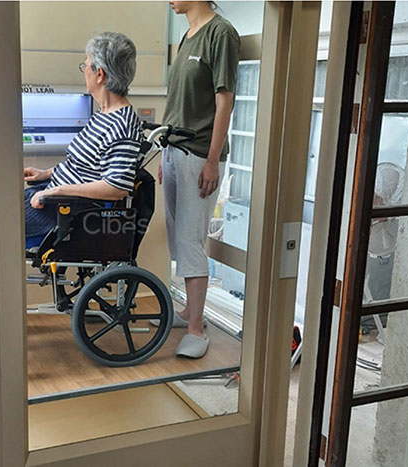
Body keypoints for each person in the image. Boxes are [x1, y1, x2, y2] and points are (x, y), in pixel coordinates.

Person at [160, 1, 240, 358]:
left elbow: (225, 103)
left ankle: (197, 329)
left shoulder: (220, 33)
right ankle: (188, 312)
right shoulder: (185, 36)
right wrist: (165, 148)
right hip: (174, 150)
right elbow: (177, 100)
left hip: (198, 154)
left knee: (192, 241)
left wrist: (212, 160)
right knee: (178, 237)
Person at [23, 32, 142, 242]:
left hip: (65, 211)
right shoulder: (103, 114)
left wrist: (57, 190)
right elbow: (82, 166)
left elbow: (116, 187)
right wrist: (45, 174)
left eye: (86, 65)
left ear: (99, 74)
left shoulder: (122, 123)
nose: (84, 71)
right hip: (55, 199)